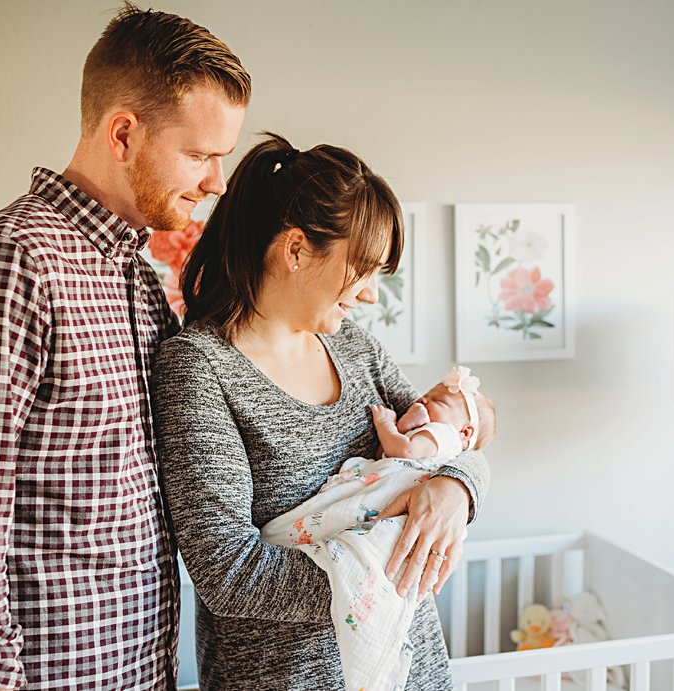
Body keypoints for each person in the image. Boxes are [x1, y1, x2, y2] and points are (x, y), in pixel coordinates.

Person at [0, 5, 248, 690]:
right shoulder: (9, 264)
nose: (217, 183)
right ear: (123, 133)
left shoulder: (141, 281)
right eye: (201, 154)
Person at [152, 134, 490, 690]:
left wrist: (457, 489)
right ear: (295, 249)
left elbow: (460, 434)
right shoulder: (199, 368)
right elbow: (226, 571)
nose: (371, 295)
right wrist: (385, 571)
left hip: (413, 671)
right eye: (361, 269)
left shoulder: (357, 350)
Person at [259, 366, 497, 690]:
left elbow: (405, 452)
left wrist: (388, 426)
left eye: (437, 400)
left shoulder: (443, 434)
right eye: (427, 395)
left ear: (465, 432)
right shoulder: (432, 426)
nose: (423, 400)